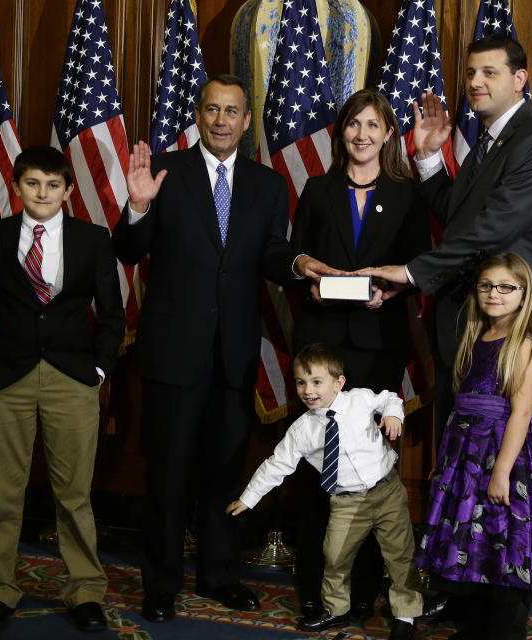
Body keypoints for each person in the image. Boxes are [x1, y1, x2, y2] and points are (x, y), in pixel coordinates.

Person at [111, 74, 334, 623]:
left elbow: (272, 256)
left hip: (233, 357)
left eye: (232, 111)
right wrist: (138, 208)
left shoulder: (266, 183)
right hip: (171, 355)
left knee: (222, 474)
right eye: (212, 109)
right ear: (198, 113)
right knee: (166, 475)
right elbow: (127, 249)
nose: (221, 120)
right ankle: (161, 583)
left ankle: (218, 575)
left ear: (246, 119)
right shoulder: (166, 170)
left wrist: (300, 265)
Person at [359, 33, 532, 443]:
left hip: (510, 328)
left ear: (519, 79)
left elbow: (494, 228)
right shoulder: (489, 144)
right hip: (465, 326)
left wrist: (412, 272)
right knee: (457, 470)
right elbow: (460, 219)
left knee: (498, 475)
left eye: (490, 72)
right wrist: (427, 156)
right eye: (472, 72)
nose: (476, 81)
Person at [0, 145, 125, 632]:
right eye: (33, 183)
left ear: (68, 190)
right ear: (17, 187)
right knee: (4, 492)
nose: (43, 193)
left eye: (53, 185)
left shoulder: (92, 239)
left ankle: (84, 590)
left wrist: (98, 372)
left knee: (74, 494)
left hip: (72, 379)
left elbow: (112, 314)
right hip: (7, 377)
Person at [288, 88, 430, 621]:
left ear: (390, 133)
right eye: (353, 125)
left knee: (369, 474)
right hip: (321, 348)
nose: (362, 135)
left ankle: (367, 590)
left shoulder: (407, 195)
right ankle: (317, 593)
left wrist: (394, 289)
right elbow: (296, 257)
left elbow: (419, 267)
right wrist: (310, 281)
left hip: (376, 350)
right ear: (341, 131)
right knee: (320, 469)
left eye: (373, 125)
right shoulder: (317, 190)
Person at [227, 343, 423, 640]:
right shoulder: (302, 429)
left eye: (317, 382)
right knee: (335, 556)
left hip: (387, 492)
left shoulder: (358, 400)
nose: (308, 390)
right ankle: (335, 609)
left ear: (338, 382)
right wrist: (248, 498)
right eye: (301, 382)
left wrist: (395, 415)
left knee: (400, 554)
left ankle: (406, 615)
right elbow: (276, 465)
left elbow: (389, 398)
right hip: (346, 501)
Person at [417, 252, 532, 640]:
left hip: (498, 453)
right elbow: (459, 407)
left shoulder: (523, 344)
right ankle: (476, 625)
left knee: (500, 535)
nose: (494, 294)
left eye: (506, 287)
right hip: (464, 452)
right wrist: (446, 461)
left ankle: (505, 630)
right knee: (470, 539)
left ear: (524, 294)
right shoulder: (476, 334)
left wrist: (502, 472)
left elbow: (521, 415)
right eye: (486, 286)